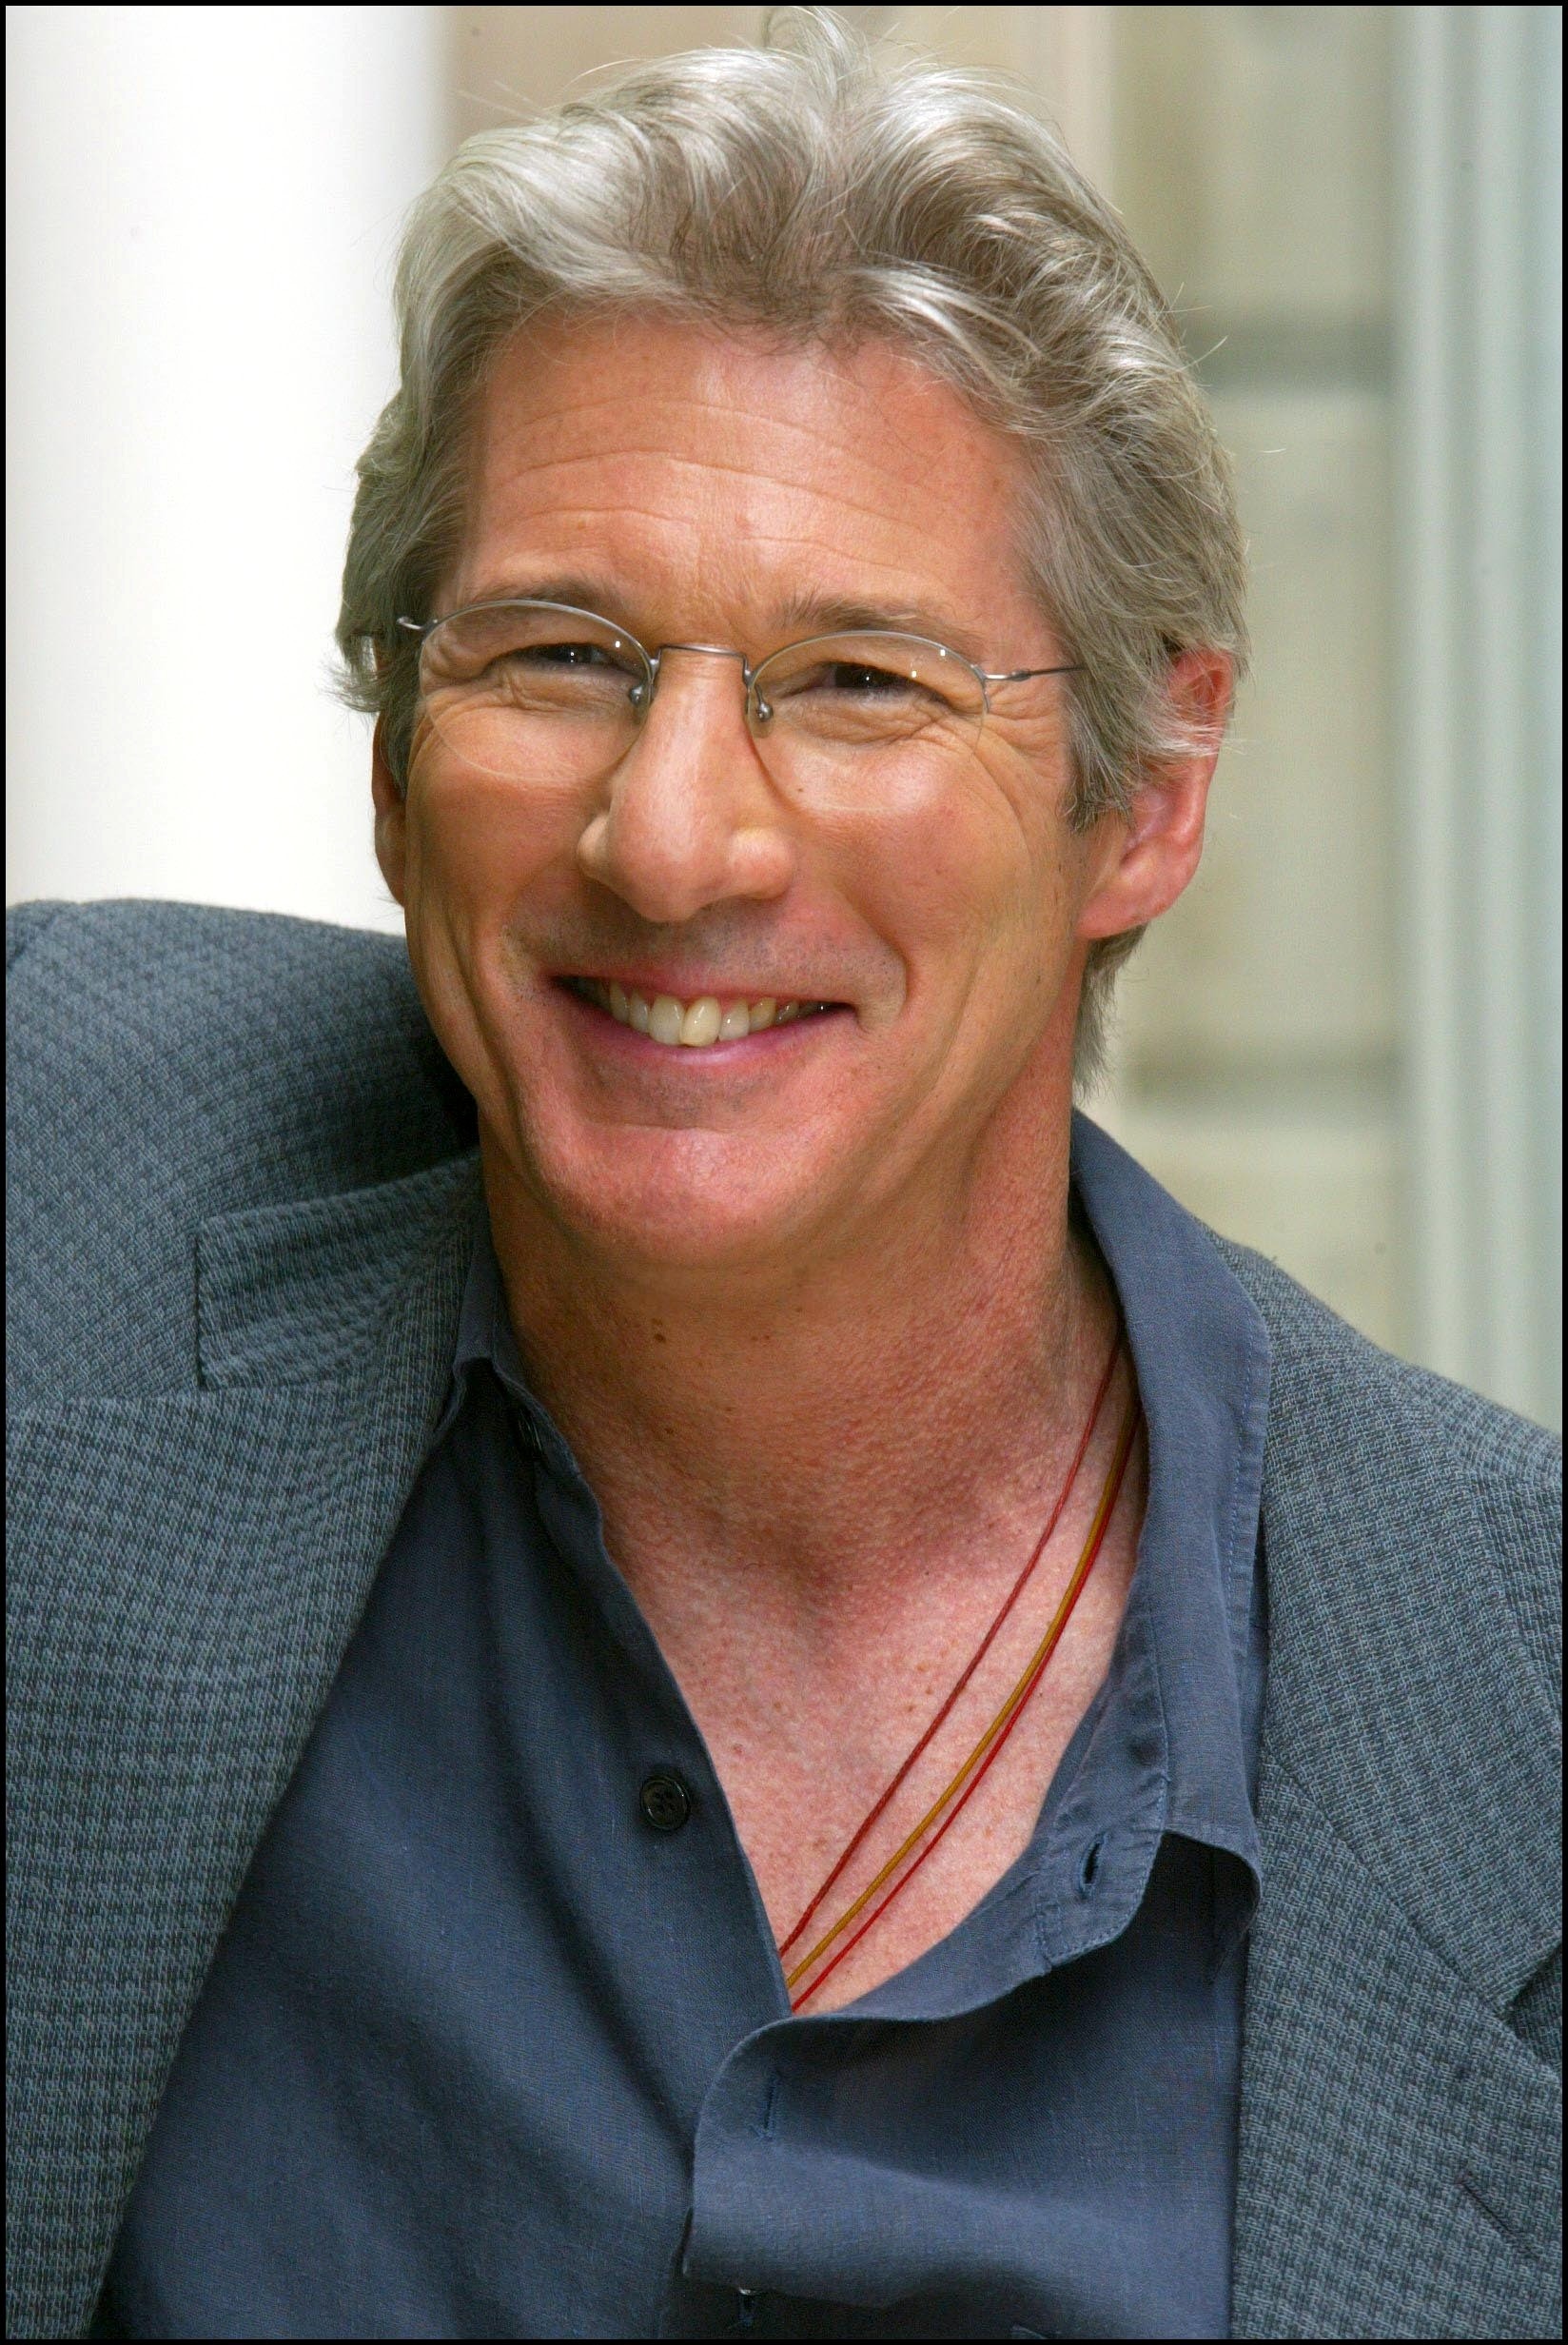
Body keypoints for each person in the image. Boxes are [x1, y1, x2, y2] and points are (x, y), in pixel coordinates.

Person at [8, 13, 1559, 2340]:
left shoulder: (1508, 1703)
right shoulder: (62, 1186)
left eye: (856, 681)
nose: (672, 833)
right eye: (556, 654)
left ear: (1143, 788)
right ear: (392, 754)